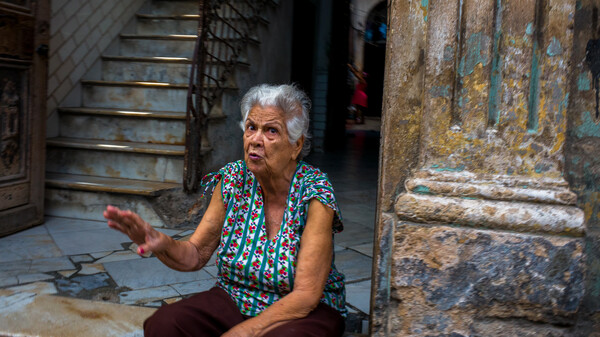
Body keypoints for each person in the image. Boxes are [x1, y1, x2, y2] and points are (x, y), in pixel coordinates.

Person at [104, 84, 347, 337]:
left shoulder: (315, 191)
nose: (255, 139)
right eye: (251, 127)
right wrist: (163, 243)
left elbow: (306, 296)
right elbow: (196, 253)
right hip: (236, 298)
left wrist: (243, 332)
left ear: (296, 145)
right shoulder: (232, 179)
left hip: (300, 312)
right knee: (164, 324)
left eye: (271, 131)